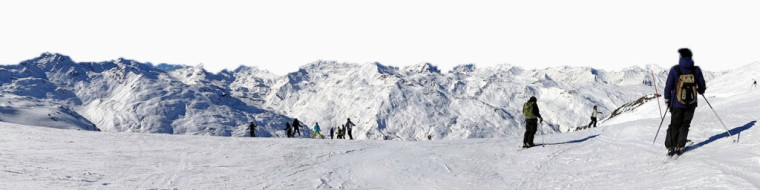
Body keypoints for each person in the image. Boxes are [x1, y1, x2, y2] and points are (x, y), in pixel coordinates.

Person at [663, 48, 707, 156]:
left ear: (680, 57)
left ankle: (670, 147)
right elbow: (702, 87)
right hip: (691, 104)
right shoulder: (696, 70)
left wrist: (667, 100)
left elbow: (668, 86)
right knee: (685, 124)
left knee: (674, 124)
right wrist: (701, 91)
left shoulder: (675, 69)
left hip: (676, 103)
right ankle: (680, 146)